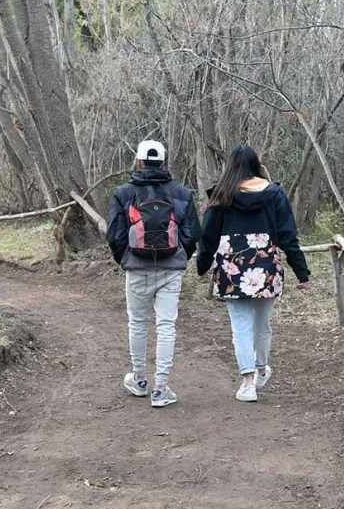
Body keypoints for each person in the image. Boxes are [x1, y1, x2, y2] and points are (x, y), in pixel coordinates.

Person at [196, 145, 310, 403]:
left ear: (231, 166)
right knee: (262, 325)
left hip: (231, 267)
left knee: (241, 328)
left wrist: (202, 266)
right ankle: (260, 369)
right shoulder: (275, 194)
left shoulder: (221, 195)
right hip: (266, 264)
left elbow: (208, 237)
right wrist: (301, 272)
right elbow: (288, 236)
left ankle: (248, 384)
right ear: (256, 164)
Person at [107, 139, 201, 407]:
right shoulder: (182, 194)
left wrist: (126, 258)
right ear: (164, 162)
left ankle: (139, 380)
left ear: (138, 162)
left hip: (136, 269)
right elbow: (193, 232)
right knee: (166, 325)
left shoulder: (123, 193)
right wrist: (180, 254)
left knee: (137, 323)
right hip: (171, 270)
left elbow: (114, 235)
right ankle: (161, 389)